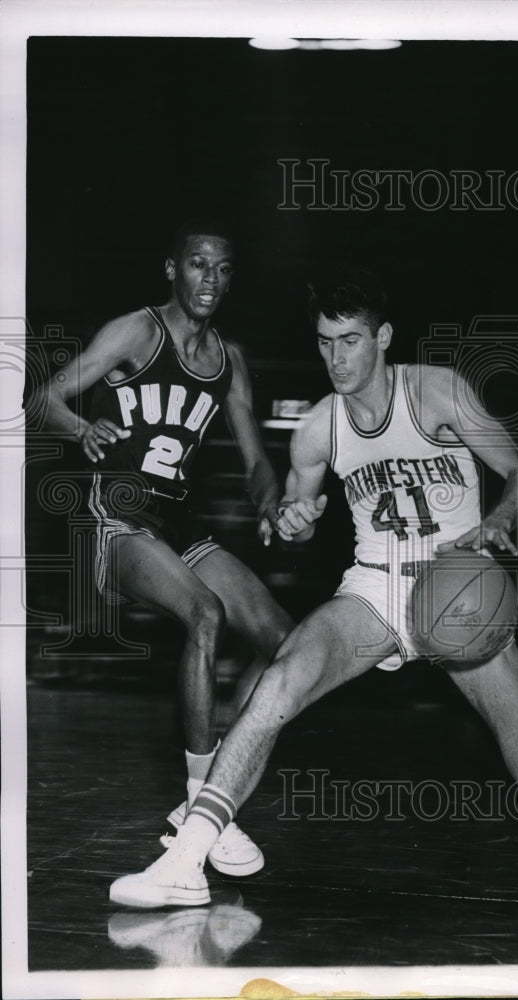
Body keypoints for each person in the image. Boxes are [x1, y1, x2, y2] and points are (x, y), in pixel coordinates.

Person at [110, 269, 518, 908]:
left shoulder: (439, 394)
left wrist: (502, 518)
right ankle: (185, 862)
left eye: (350, 341)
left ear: (384, 337)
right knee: (280, 679)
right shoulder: (319, 428)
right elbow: (293, 516)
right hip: (377, 590)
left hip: (458, 591)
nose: (336, 358)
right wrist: (293, 520)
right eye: (324, 342)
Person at [34, 218, 293, 877]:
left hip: (180, 524)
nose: (211, 279)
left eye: (223, 269)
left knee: (287, 645)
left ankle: (209, 794)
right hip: (113, 519)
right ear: (173, 269)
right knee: (204, 615)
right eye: (199, 265)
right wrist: (78, 425)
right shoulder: (137, 331)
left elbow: (258, 460)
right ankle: (199, 807)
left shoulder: (229, 361)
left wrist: (271, 502)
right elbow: (40, 400)